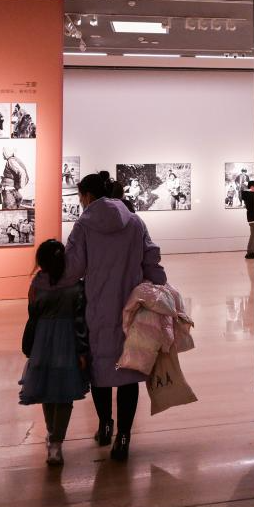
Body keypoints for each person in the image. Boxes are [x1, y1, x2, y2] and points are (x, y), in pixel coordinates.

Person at [59, 171, 167, 461]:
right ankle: (124, 436)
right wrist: (161, 286)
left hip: (97, 307)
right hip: (132, 307)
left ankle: (105, 425)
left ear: (87, 196)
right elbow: (151, 258)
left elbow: (73, 268)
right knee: (128, 370)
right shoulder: (135, 221)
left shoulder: (84, 225)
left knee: (100, 369)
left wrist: (50, 282)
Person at [19, 240, 90, 466]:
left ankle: (51, 435)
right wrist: (82, 350)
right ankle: (57, 443)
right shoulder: (76, 286)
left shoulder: (36, 285)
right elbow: (80, 321)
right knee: (65, 393)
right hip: (67, 342)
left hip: (42, 342)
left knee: (46, 390)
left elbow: (32, 315)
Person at [241, 180, 254, 259]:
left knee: (253, 235)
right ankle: (250, 252)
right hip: (253, 218)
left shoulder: (248, 195)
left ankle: (251, 252)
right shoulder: (252, 195)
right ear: (252, 187)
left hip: (251, 218)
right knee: (253, 236)